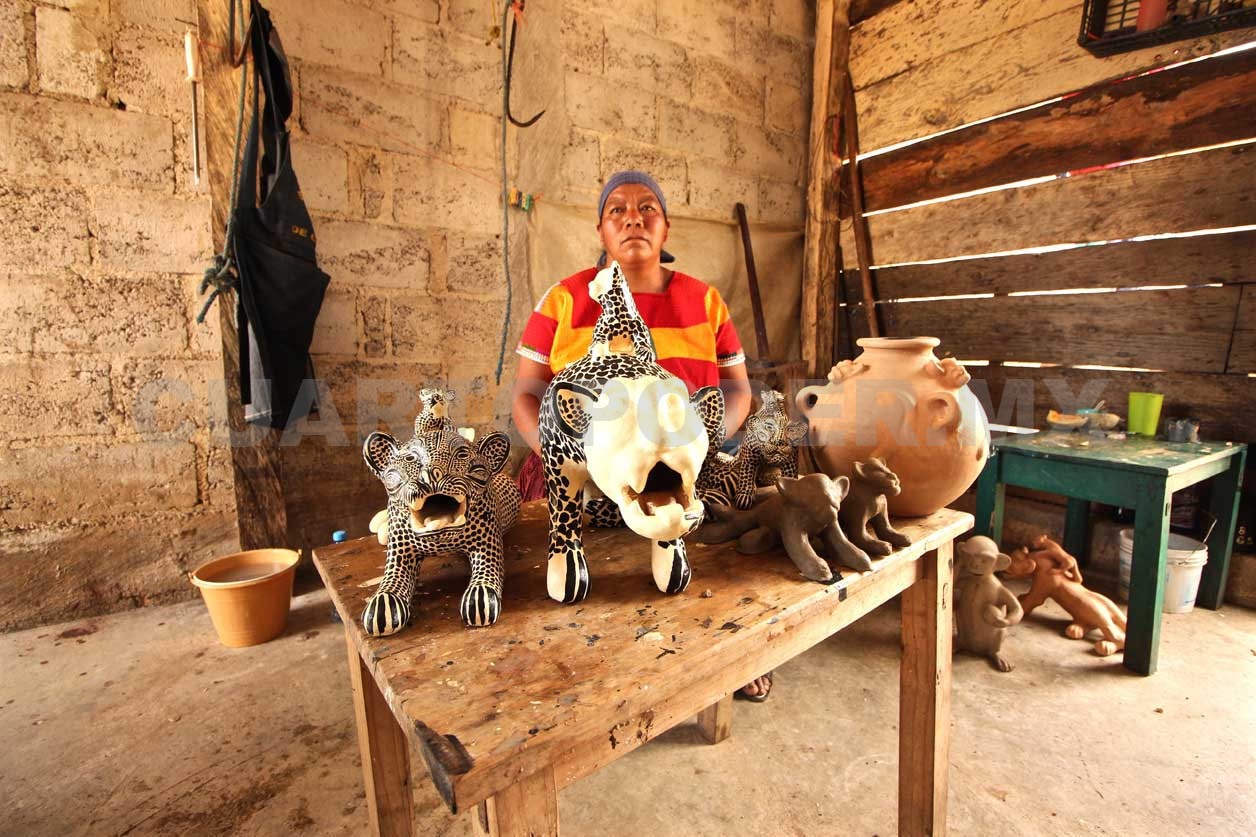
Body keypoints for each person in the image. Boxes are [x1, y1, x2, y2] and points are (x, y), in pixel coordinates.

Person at [510, 170, 775, 702]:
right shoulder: (563, 300)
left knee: (730, 561)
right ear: (601, 232)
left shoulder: (705, 301)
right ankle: (589, 686)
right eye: (618, 211)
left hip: (678, 472)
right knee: (565, 616)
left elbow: (738, 391)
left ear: (667, 228)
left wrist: (699, 450)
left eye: (647, 208)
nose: (633, 217)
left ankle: (729, 658)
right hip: (581, 476)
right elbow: (525, 397)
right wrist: (575, 455)